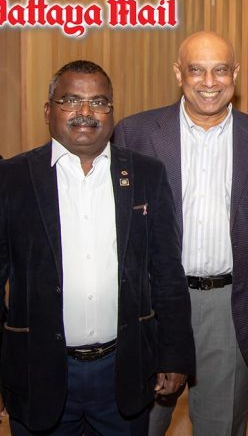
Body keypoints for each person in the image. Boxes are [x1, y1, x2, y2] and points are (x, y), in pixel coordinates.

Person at [0, 60, 195, 435]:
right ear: (48, 110)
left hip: (123, 370)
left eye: (99, 102)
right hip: (37, 370)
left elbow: (167, 272)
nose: (86, 112)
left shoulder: (146, 174)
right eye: (71, 100)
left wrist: (174, 354)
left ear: (112, 112)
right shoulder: (11, 178)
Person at [113, 31, 248, 436]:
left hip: (230, 307)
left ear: (235, 73)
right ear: (178, 73)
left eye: (220, 70)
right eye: (196, 70)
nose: (209, 81)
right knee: (141, 424)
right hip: (153, 304)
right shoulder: (135, 134)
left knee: (222, 427)